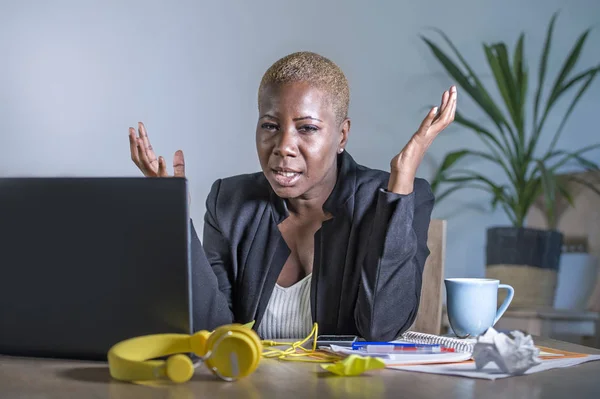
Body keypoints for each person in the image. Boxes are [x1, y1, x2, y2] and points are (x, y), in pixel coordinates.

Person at [129, 51, 456, 342]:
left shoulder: (391, 199)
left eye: (307, 128)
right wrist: (173, 218)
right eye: (270, 126)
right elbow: (214, 332)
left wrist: (400, 182)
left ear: (342, 135)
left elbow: (381, 329)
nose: (283, 146)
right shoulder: (229, 202)